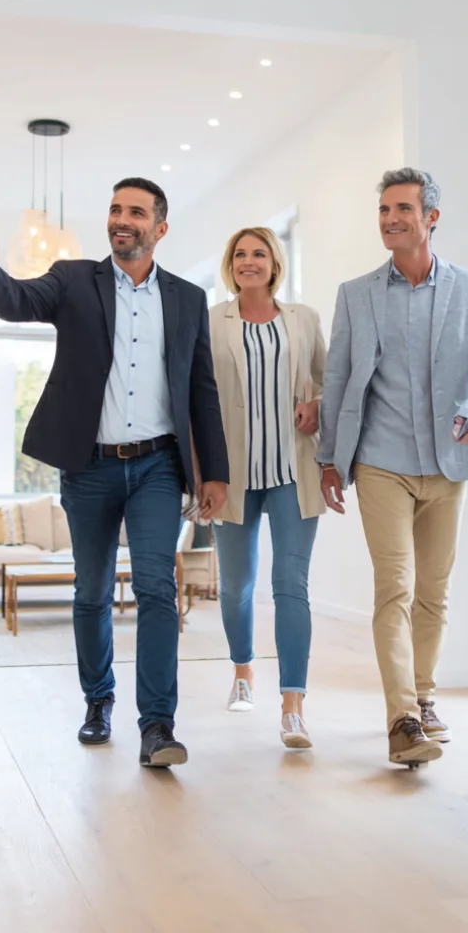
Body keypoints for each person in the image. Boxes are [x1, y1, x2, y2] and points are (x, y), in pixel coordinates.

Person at [0, 178, 228, 768]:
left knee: (157, 588)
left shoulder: (185, 298)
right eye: (114, 209)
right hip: (90, 467)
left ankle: (157, 724)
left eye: (135, 211)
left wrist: (215, 472)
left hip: (158, 464)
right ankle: (97, 702)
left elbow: (201, 388)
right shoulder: (75, 278)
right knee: (91, 592)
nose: (121, 220)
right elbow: (19, 301)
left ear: (160, 227)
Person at [317, 168, 468, 767]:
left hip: (448, 462)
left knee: (434, 592)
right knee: (395, 589)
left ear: (431, 217)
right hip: (381, 460)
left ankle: (425, 698)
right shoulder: (357, 293)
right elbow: (338, 378)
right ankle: (401, 719)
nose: (390, 219)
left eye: (402, 208)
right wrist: (330, 455)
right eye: (383, 210)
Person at [208, 227, 327, 749]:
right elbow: (199, 395)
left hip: (292, 472)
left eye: (259, 253)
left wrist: (317, 405)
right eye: (240, 255)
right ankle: (242, 669)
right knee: (236, 586)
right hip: (232, 474)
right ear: (230, 265)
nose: (249, 262)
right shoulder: (212, 321)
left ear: (274, 262)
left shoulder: (303, 320)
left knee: (291, 586)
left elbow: (326, 381)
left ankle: (293, 706)